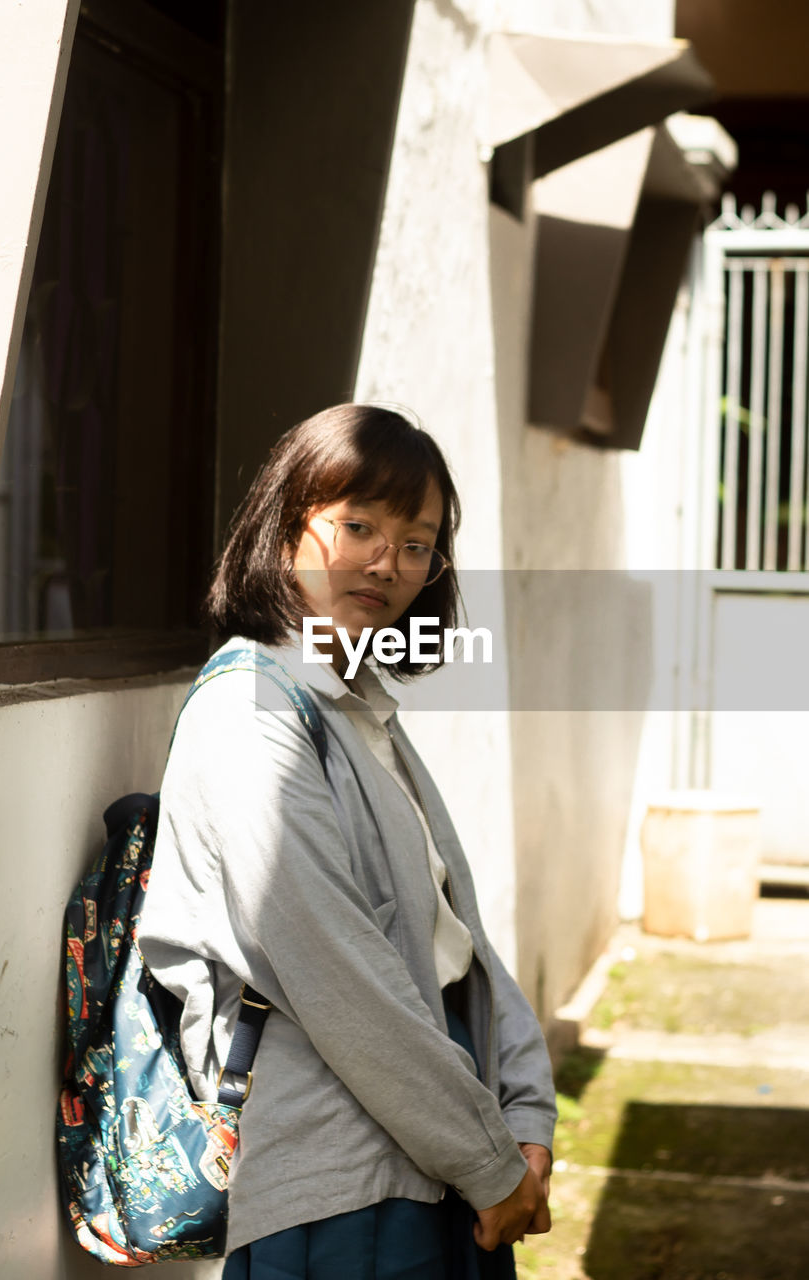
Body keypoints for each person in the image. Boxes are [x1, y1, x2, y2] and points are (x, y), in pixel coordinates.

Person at [139, 404, 557, 1280]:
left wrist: (526, 1119)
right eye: (358, 526)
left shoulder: (357, 709)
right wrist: (490, 1161)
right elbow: (342, 977)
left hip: (435, 1153)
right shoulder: (250, 714)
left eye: (417, 543)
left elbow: (458, 942)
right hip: (340, 1184)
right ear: (286, 525)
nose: (386, 562)